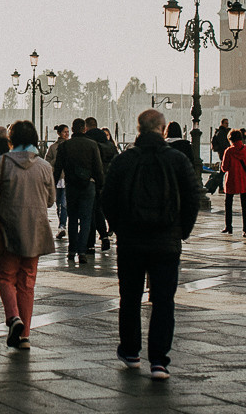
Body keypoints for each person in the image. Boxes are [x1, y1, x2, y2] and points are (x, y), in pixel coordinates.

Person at [102, 109, 201, 381]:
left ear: (138, 129)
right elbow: (192, 197)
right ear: (163, 129)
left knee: (130, 297)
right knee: (163, 300)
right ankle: (159, 361)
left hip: (131, 241)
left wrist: (119, 227)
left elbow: (107, 198)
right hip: (166, 241)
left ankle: (130, 352)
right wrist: (181, 231)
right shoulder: (177, 160)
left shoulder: (124, 160)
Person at [0, 120, 55, 350]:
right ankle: (25, 336)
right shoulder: (44, 166)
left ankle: (13, 317)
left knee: (5, 277)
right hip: (35, 231)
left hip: (8, 229)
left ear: (11, 140)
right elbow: (51, 200)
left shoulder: (1, 163)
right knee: (27, 282)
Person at [55, 118, 104, 263]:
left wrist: (53, 184)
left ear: (72, 129)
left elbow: (58, 168)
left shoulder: (65, 146)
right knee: (86, 219)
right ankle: (82, 251)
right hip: (88, 185)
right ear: (84, 129)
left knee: (72, 218)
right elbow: (98, 168)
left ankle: (71, 250)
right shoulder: (92, 145)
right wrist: (100, 186)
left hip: (71, 185)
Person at [85, 117, 116, 253]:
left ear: (86, 127)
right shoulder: (110, 145)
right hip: (106, 182)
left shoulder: (90, 143)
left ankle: (90, 244)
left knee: (91, 212)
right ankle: (104, 237)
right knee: (99, 211)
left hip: (93, 181)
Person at [221, 128, 246, 237]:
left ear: (230, 139)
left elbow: (224, 168)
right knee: (245, 205)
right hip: (244, 179)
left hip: (232, 179)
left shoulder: (229, 151)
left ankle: (228, 226)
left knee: (228, 204)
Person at [45, 124, 70, 239]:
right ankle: (61, 224)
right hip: (57, 177)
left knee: (64, 203)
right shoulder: (53, 147)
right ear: (59, 133)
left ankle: (62, 226)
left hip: (67, 177)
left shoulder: (70, 145)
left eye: (68, 132)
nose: (67, 134)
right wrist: (57, 159)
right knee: (58, 203)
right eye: (65, 132)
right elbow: (47, 161)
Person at [210, 118, 230, 192]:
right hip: (223, 153)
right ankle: (221, 187)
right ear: (222, 124)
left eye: (227, 123)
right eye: (226, 123)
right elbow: (223, 144)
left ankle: (221, 187)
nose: (227, 125)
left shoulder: (222, 132)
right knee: (222, 171)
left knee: (222, 171)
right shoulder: (221, 132)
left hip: (223, 153)